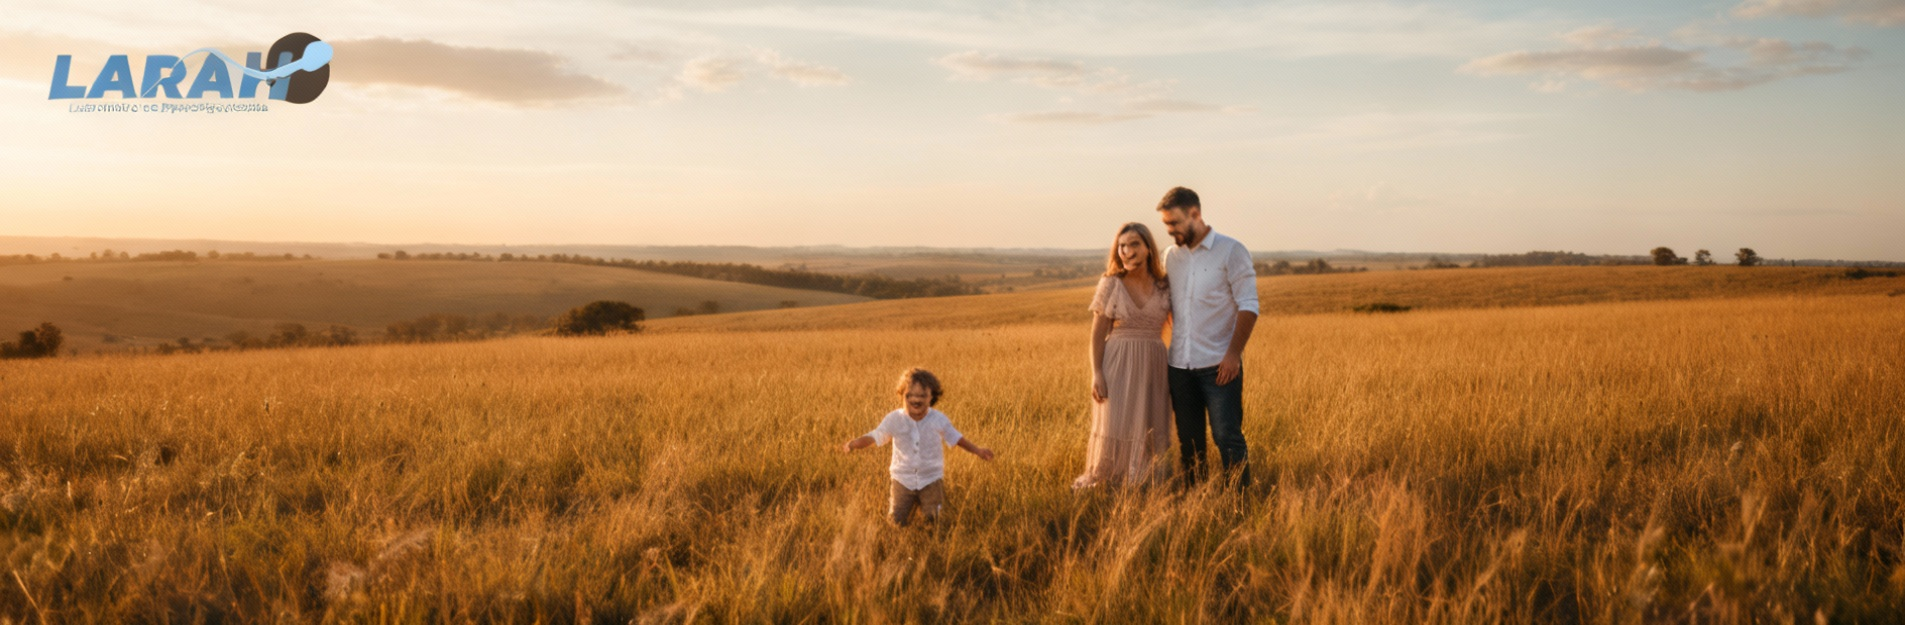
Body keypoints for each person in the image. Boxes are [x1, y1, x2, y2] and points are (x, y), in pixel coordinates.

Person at [1155, 186, 1259, 487]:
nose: (1170, 231)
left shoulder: (1231, 250)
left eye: (1173, 223)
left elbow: (1249, 305)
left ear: (1195, 215)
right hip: (1179, 367)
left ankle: (1239, 503)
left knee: (1227, 437)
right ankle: (1195, 502)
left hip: (1219, 367)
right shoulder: (1170, 257)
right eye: (1166, 225)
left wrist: (1232, 355)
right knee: (1189, 443)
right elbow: (1170, 304)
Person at [1073, 222, 1174, 489]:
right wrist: (1097, 373)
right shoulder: (1111, 284)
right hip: (1117, 363)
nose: (1127, 252)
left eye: (1134, 245)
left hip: (1154, 363)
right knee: (1116, 424)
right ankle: (1111, 480)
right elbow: (1097, 333)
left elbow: (1180, 326)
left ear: (1149, 249)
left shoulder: (1164, 286)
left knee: (1150, 423)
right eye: (1122, 246)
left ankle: (1143, 480)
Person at [841, 368, 995, 526]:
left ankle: (932, 536)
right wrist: (853, 444)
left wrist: (978, 451)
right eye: (909, 395)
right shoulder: (894, 419)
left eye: (922, 395)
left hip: (931, 479)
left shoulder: (938, 419)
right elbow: (875, 435)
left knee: (934, 520)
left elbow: (956, 438)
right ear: (901, 395)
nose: (916, 399)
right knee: (896, 521)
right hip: (902, 479)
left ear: (932, 397)